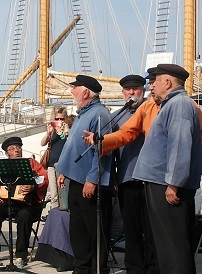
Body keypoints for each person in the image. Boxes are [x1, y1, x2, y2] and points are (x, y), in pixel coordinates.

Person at [131, 64, 201, 274]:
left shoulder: (178, 105)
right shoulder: (172, 104)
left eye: (156, 81)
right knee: (165, 247)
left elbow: (180, 146)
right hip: (161, 183)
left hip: (166, 186)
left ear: (168, 82)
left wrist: (174, 183)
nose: (151, 86)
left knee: (173, 248)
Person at [55, 75, 112, 274]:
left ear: (86, 92)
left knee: (94, 229)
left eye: (75, 88)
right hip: (74, 180)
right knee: (78, 230)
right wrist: (63, 171)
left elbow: (103, 152)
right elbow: (72, 147)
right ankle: (81, 268)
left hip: (89, 182)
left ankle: (98, 269)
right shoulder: (81, 114)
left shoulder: (100, 114)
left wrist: (92, 179)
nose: (72, 91)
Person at [111, 74, 159, 273]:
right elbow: (111, 147)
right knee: (131, 229)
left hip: (149, 179)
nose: (132, 93)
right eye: (128, 90)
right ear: (123, 92)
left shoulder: (152, 111)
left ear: (143, 90)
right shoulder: (116, 116)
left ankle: (152, 268)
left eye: (136, 89)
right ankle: (134, 268)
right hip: (126, 178)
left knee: (151, 229)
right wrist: (113, 175)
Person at [0, 136, 48, 268]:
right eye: (12, 149)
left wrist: (33, 186)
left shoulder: (31, 163)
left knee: (24, 215)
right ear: (7, 153)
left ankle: (20, 255)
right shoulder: (2, 166)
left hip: (30, 205)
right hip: (9, 204)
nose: (17, 150)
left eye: (18, 147)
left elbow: (44, 179)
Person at [40, 107, 69, 209]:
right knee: (53, 194)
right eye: (57, 119)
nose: (59, 121)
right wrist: (49, 132)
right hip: (52, 164)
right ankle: (54, 214)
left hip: (63, 164)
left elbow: (66, 140)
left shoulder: (67, 129)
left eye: (62, 119)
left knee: (63, 192)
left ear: (65, 119)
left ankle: (63, 213)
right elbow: (42, 143)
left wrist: (61, 131)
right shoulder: (52, 131)